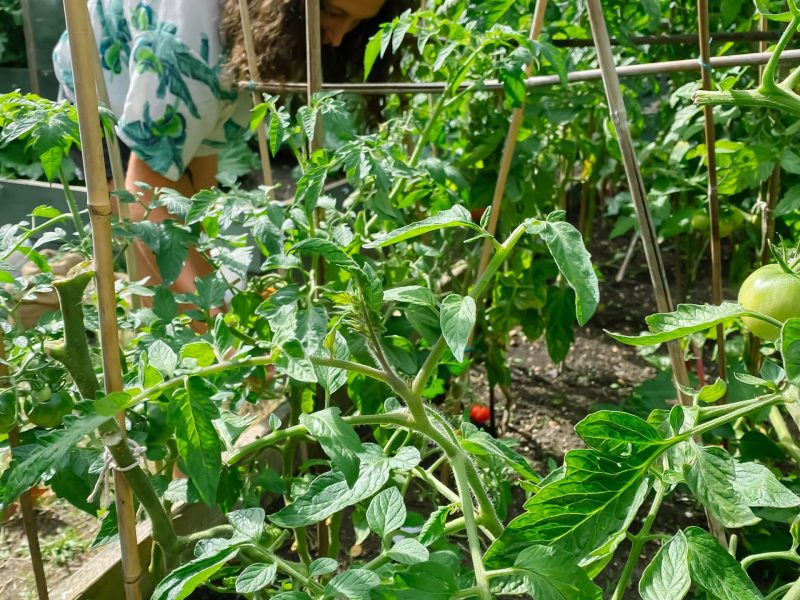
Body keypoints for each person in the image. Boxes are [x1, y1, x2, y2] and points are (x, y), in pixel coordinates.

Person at [52, 0, 390, 299]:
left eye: (357, 22)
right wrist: (218, 317)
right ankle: (63, 292)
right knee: (152, 266)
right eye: (333, 12)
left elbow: (198, 175)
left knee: (178, 268)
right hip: (98, 97)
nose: (338, 38)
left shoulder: (252, 28)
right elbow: (144, 201)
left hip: (175, 82)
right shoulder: (186, 48)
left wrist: (213, 282)